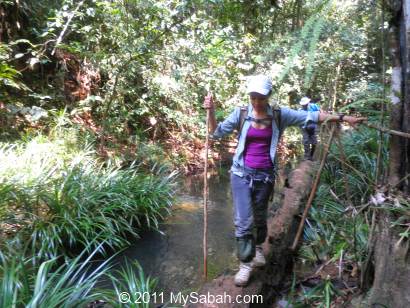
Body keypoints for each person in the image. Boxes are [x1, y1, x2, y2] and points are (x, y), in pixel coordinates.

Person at [203, 75, 366, 287]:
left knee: (260, 218)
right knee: (243, 221)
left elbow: (313, 117)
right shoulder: (241, 113)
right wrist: (211, 111)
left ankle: (258, 247)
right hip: (241, 175)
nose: (256, 101)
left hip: (265, 177)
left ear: (268, 96)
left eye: (261, 97)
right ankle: (245, 264)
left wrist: (344, 118)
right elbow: (215, 133)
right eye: (253, 97)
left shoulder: (280, 115)